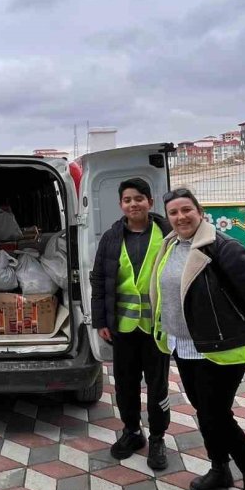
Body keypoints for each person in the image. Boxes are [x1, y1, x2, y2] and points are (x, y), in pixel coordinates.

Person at [150, 188, 245, 490]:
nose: (180, 217)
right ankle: (220, 468)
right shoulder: (170, 245)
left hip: (220, 347)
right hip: (184, 344)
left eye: (186, 210)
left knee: (218, 415)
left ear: (199, 211)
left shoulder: (223, 248)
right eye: (173, 212)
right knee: (204, 412)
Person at [90, 178, 172, 470]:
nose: (133, 204)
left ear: (150, 202)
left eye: (139, 198)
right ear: (121, 205)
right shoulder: (112, 237)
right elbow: (98, 279)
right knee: (125, 385)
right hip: (122, 328)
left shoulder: (168, 234)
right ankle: (132, 432)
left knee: (158, 385)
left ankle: (158, 437)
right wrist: (100, 319)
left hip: (157, 329)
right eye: (127, 200)